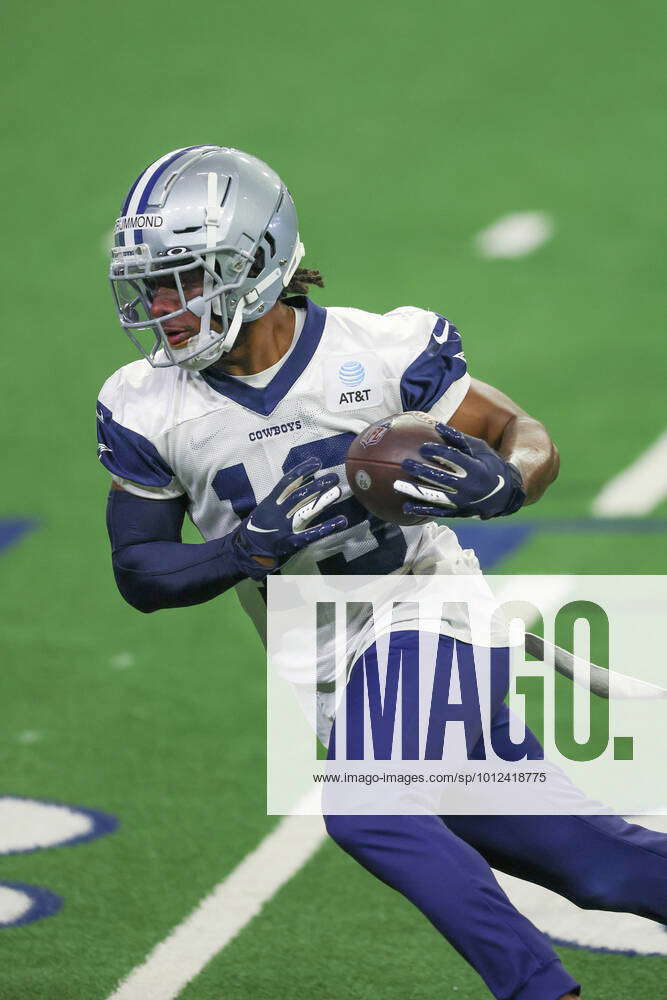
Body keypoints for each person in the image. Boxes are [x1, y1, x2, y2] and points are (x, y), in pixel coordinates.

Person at [98, 145, 667, 1000]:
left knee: (367, 806)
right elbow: (141, 572)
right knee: (599, 869)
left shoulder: (378, 350)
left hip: (423, 613)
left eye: (185, 277)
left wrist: (510, 478)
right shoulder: (143, 403)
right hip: (323, 667)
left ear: (253, 264)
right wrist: (246, 549)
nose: (162, 307)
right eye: (152, 283)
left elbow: (520, 430)